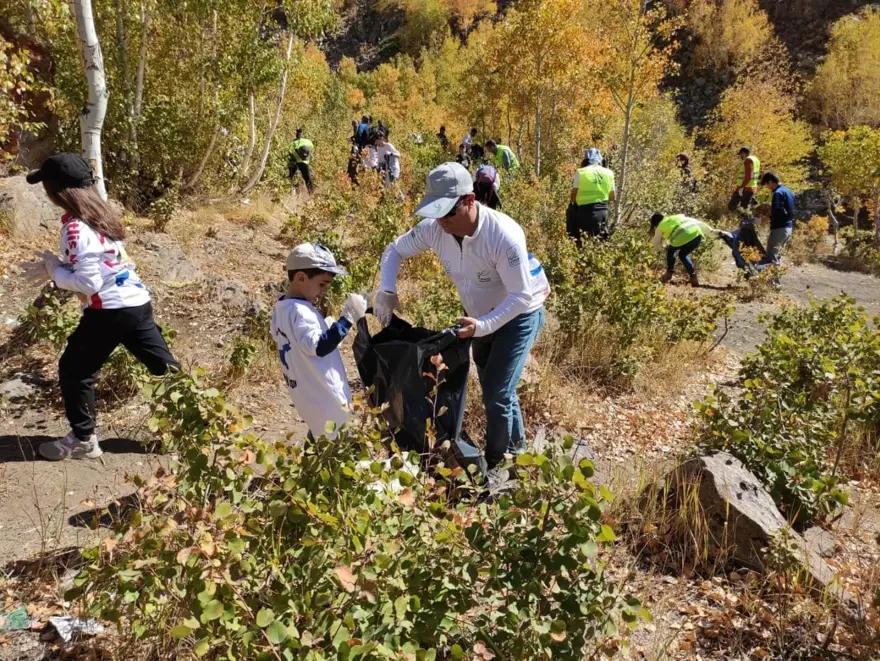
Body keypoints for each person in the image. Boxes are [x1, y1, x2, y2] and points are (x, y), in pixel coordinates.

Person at [375, 162, 548, 472]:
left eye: (448, 213)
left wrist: (483, 327)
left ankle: (498, 466)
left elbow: (521, 296)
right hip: (479, 317)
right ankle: (518, 450)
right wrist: (386, 290)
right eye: (436, 213)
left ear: (470, 200)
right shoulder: (435, 229)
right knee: (497, 388)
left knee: (497, 392)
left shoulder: (503, 235)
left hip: (520, 313)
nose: (441, 222)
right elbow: (394, 250)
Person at [20, 153, 179, 460]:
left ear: (57, 191)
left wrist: (54, 269)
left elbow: (89, 283)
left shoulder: (75, 228)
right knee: (164, 367)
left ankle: (83, 440)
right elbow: (101, 264)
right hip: (136, 302)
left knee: (75, 371)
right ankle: (200, 422)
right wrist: (59, 267)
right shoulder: (100, 214)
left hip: (109, 311)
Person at [270, 243, 367, 439]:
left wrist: (327, 330)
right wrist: (347, 318)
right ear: (301, 277)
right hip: (330, 404)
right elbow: (319, 346)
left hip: (311, 402)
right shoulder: (301, 311)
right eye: (321, 284)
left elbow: (301, 344)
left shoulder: (281, 309)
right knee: (345, 456)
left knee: (319, 444)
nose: (323, 291)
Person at [650, 212, 720, 287]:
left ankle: (668, 274)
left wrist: (650, 255)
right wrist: (712, 232)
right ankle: (693, 278)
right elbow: (698, 223)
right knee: (682, 255)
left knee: (671, 251)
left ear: (655, 224)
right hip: (697, 235)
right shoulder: (677, 216)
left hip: (682, 237)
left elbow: (655, 244)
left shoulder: (660, 227)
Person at [567, 147, 615, 244]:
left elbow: (573, 195)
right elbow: (612, 197)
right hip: (602, 213)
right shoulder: (609, 173)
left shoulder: (581, 172)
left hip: (584, 214)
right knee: (599, 243)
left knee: (580, 241)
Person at [753, 171, 795, 273]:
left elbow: (777, 211)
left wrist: (765, 218)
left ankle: (773, 284)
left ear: (771, 182)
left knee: (771, 257)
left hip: (779, 228)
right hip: (788, 227)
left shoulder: (778, 193)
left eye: (767, 184)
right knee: (777, 255)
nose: (767, 187)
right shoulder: (788, 191)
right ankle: (774, 282)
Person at [728, 146, 760, 213]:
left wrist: (741, 187)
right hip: (752, 188)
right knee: (744, 208)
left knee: (731, 206)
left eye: (740, 154)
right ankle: (743, 222)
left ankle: (731, 220)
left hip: (744, 188)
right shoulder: (756, 160)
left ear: (743, 153)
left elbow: (749, 176)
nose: (740, 156)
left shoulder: (747, 161)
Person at [288, 128, 314, 193]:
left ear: (296, 134)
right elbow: (311, 149)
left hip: (295, 162)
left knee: (291, 178)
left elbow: (289, 152)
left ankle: (291, 192)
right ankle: (311, 194)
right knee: (308, 179)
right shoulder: (308, 141)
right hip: (305, 162)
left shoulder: (293, 143)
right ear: (302, 133)